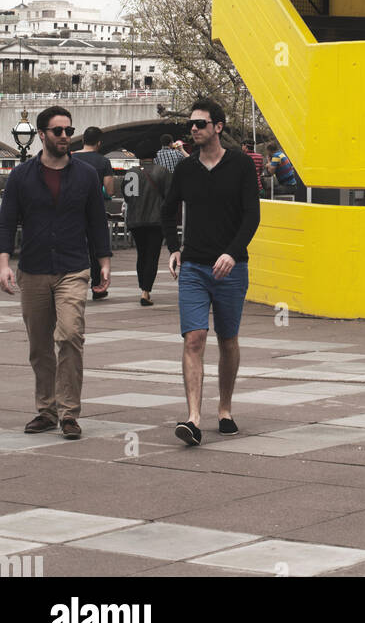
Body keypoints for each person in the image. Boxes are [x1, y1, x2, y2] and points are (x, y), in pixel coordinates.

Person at [0, 105, 111, 440]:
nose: (65, 136)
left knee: (71, 335)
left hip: (72, 267)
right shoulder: (20, 176)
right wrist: (3, 263)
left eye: (68, 131)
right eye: (58, 131)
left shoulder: (85, 175)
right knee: (40, 346)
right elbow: (6, 223)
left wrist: (103, 262)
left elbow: (96, 220)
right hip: (32, 270)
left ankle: (69, 414)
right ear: (42, 135)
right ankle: (46, 410)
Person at [161, 98, 260, 447]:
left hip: (232, 269)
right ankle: (192, 418)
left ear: (218, 127)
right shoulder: (186, 169)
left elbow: (252, 216)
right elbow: (167, 211)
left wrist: (232, 254)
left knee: (228, 340)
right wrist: (174, 249)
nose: (193, 129)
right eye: (191, 124)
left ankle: (225, 409)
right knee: (194, 339)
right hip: (194, 269)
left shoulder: (242, 166)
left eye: (200, 124)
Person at [72, 126, 115, 301]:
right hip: (94, 210)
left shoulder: (71, 158)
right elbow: (110, 190)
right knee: (97, 247)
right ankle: (97, 285)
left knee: (73, 246)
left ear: (82, 140)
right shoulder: (103, 162)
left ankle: (72, 283)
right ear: (99, 143)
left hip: (72, 210)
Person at [123, 158, 170, 306]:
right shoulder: (161, 171)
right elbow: (169, 195)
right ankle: (146, 291)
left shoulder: (131, 173)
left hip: (136, 219)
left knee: (141, 254)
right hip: (155, 220)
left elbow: (128, 196)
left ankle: (142, 286)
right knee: (152, 255)